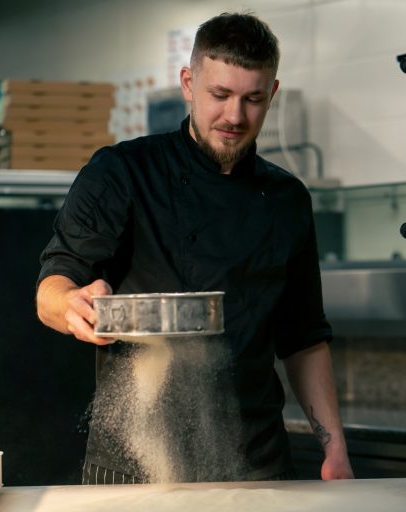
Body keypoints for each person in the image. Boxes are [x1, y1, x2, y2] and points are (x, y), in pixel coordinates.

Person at [35, 12, 353, 484]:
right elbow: (51, 288)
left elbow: (303, 338)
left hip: (255, 462)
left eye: (253, 99)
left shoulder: (287, 200)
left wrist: (335, 450)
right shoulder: (121, 173)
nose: (235, 116)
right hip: (135, 459)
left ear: (273, 94)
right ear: (188, 83)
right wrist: (71, 305)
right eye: (219, 95)